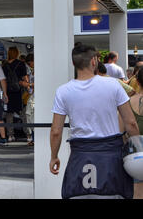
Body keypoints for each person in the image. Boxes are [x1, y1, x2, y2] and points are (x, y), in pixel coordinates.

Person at [50, 44, 140, 199]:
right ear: (94, 61)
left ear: (74, 63)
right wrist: (138, 150)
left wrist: (54, 156)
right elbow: (130, 123)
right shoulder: (113, 85)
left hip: (80, 156)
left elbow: (56, 131)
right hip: (111, 157)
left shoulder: (63, 91)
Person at [120, 68, 143, 199]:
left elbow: (121, 132)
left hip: (135, 155)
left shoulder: (126, 103)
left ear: (137, 82)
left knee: (137, 191)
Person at [2, 47, 29, 142]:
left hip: (8, 91)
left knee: (9, 114)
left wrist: (4, 93)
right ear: (17, 53)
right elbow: (25, 78)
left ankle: (10, 135)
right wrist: (27, 85)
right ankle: (28, 134)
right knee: (22, 112)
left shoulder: (4, 65)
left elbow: (3, 80)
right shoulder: (21, 64)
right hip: (18, 91)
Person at [24, 54, 35, 146]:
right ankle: (31, 136)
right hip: (32, 95)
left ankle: (33, 137)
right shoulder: (32, 71)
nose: (29, 65)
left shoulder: (37, 71)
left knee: (31, 115)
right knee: (29, 115)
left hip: (35, 96)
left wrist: (29, 85)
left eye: (29, 63)